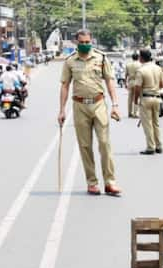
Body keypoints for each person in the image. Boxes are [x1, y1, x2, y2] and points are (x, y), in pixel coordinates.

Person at [58, 29, 121, 196]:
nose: (85, 45)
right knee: (85, 146)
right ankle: (92, 182)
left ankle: (110, 181)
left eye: (88, 42)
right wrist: (62, 110)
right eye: (82, 42)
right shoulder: (70, 61)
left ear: (91, 41)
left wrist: (115, 104)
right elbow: (65, 85)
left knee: (104, 143)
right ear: (76, 43)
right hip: (79, 106)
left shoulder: (101, 58)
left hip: (99, 104)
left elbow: (110, 81)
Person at [134, 48, 163, 155]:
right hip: (157, 97)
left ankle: (150, 147)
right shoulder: (158, 68)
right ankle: (159, 145)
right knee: (156, 123)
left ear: (141, 58)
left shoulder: (141, 70)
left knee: (147, 124)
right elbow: (162, 84)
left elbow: (138, 87)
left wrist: (135, 100)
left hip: (146, 98)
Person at [125, 53, 141, 118]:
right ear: (138, 57)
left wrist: (125, 83)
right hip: (137, 81)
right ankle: (135, 113)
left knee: (130, 98)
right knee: (136, 97)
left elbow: (126, 74)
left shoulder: (128, 64)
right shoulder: (140, 65)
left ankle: (129, 112)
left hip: (130, 81)